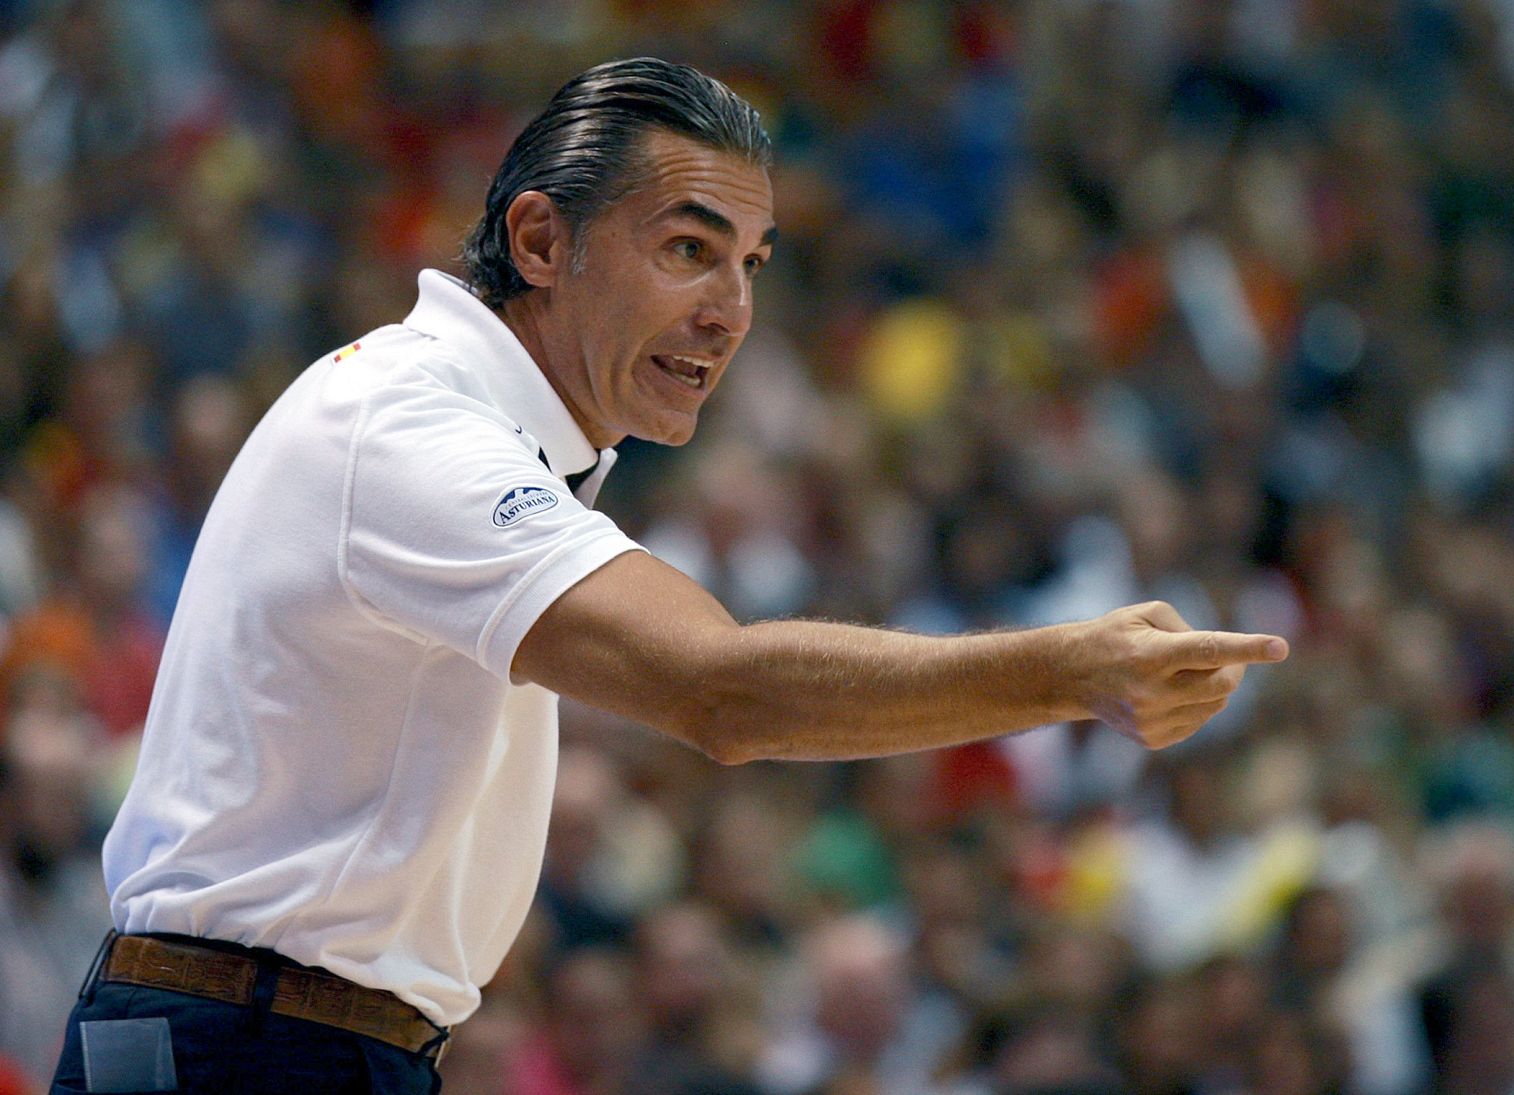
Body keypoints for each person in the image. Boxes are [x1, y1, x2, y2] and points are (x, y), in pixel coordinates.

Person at [49, 57, 1288, 1094]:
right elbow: (723, 692)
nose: (730, 309)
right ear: (542, 240)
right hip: (242, 1045)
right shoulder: (415, 428)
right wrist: (1066, 671)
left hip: (293, 1037)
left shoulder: (471, 423)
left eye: (752, 263)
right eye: (689, 248)